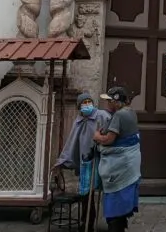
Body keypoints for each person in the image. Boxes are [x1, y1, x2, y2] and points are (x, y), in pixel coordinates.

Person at [55, 91, 111, 232]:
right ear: (79, 107)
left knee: (107, 190)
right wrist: (62, 160)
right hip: (86, 162)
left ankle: (112, 221)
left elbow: (111, 134)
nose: (87, 105)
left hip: (101, 159)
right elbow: (71, 142)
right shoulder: (78, 121)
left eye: (88, 102)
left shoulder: (102, 116)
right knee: (86, 193)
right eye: (83, 103)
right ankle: (86, 222)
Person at [93, 86, 141, 232]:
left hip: (120, 164)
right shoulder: (131, 112)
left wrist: (97, 137)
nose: (107, 104)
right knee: (123, 196)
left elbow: (109, 139)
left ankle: (116, 226)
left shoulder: (119, 115)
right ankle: (120, 222)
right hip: (130, 163)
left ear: (116, 101)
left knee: (116, 197)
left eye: (109, 101)